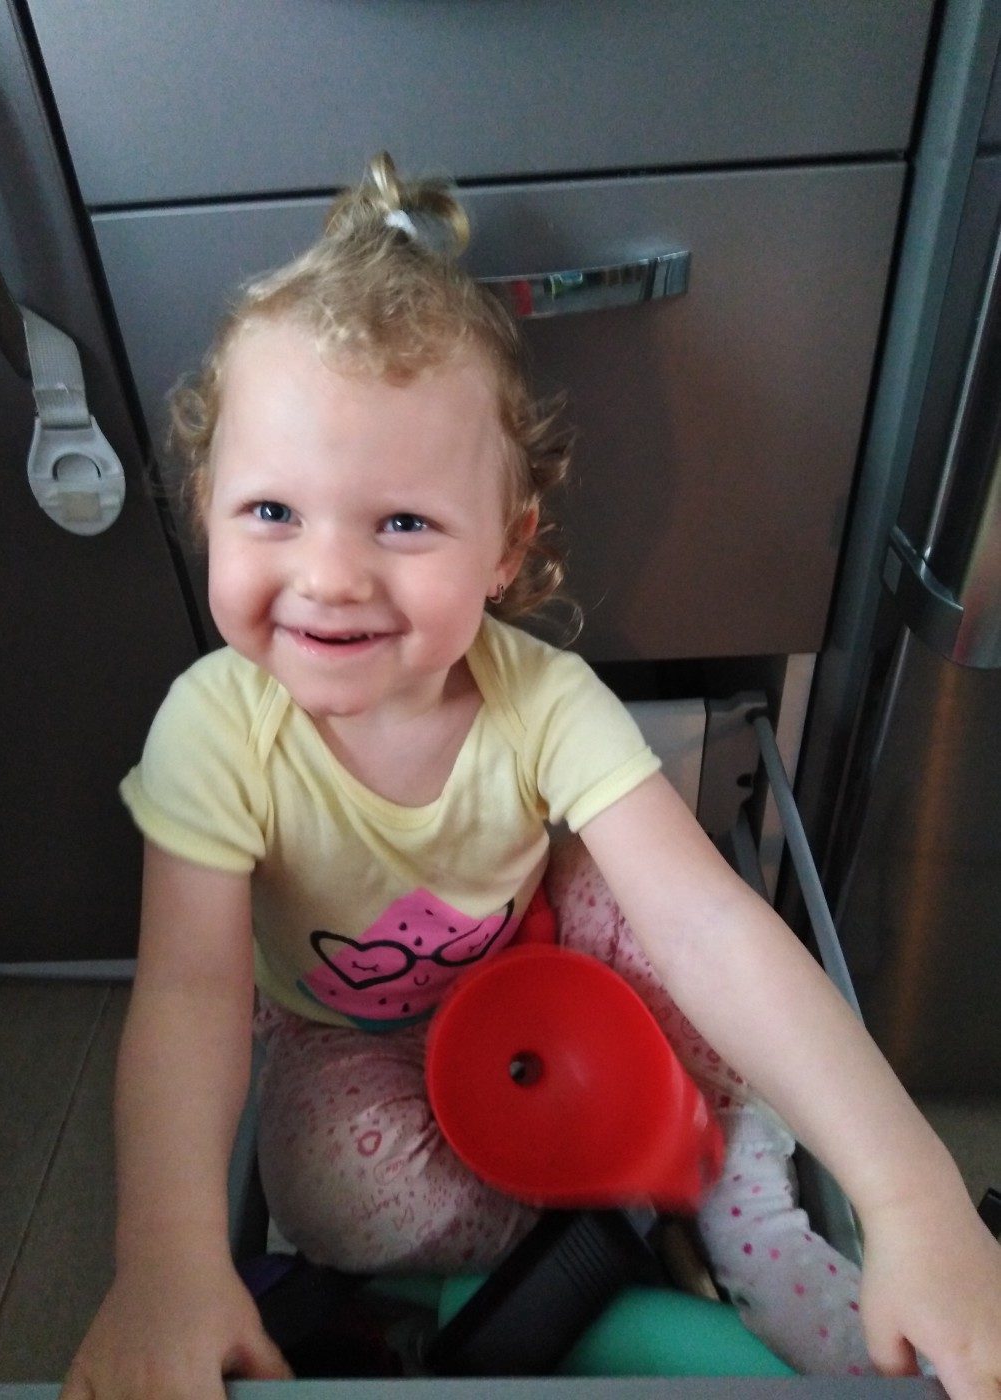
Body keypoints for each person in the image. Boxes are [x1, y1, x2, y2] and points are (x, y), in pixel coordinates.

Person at [63, 154, 1001, 1400]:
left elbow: (712, 930)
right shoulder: (212, 727)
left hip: (550, 967)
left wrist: (913, 1194)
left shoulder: (543, 697)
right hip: (351, 1036)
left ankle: (736, 1194)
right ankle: (623, 1206)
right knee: (333, 1189)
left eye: (403, 522)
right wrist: (171, 1257)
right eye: (273, 511)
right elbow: (191, 992)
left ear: (507, 551)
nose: (329, 575)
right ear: (206, 504)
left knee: (678, 915)